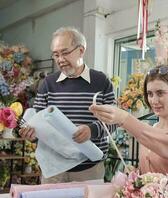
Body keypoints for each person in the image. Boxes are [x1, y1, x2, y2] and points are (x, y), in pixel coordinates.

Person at [19, 26, 116, 183]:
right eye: (56, 55)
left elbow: (114, 121)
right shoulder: (48, 84)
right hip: (53, 171)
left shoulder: (101, 81)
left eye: (65, 53)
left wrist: (91, 130)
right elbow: (37, 123)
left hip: (89, 169)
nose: (60, 59)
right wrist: (31, 134)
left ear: (81, 50)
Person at [90, 64, 168, 177]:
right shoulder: (153, 128)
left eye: (160, 93)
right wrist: (137, 173)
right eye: (150, 94)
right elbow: (152, 173)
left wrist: (123, 118)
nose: (154, 100)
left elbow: (165, 143)